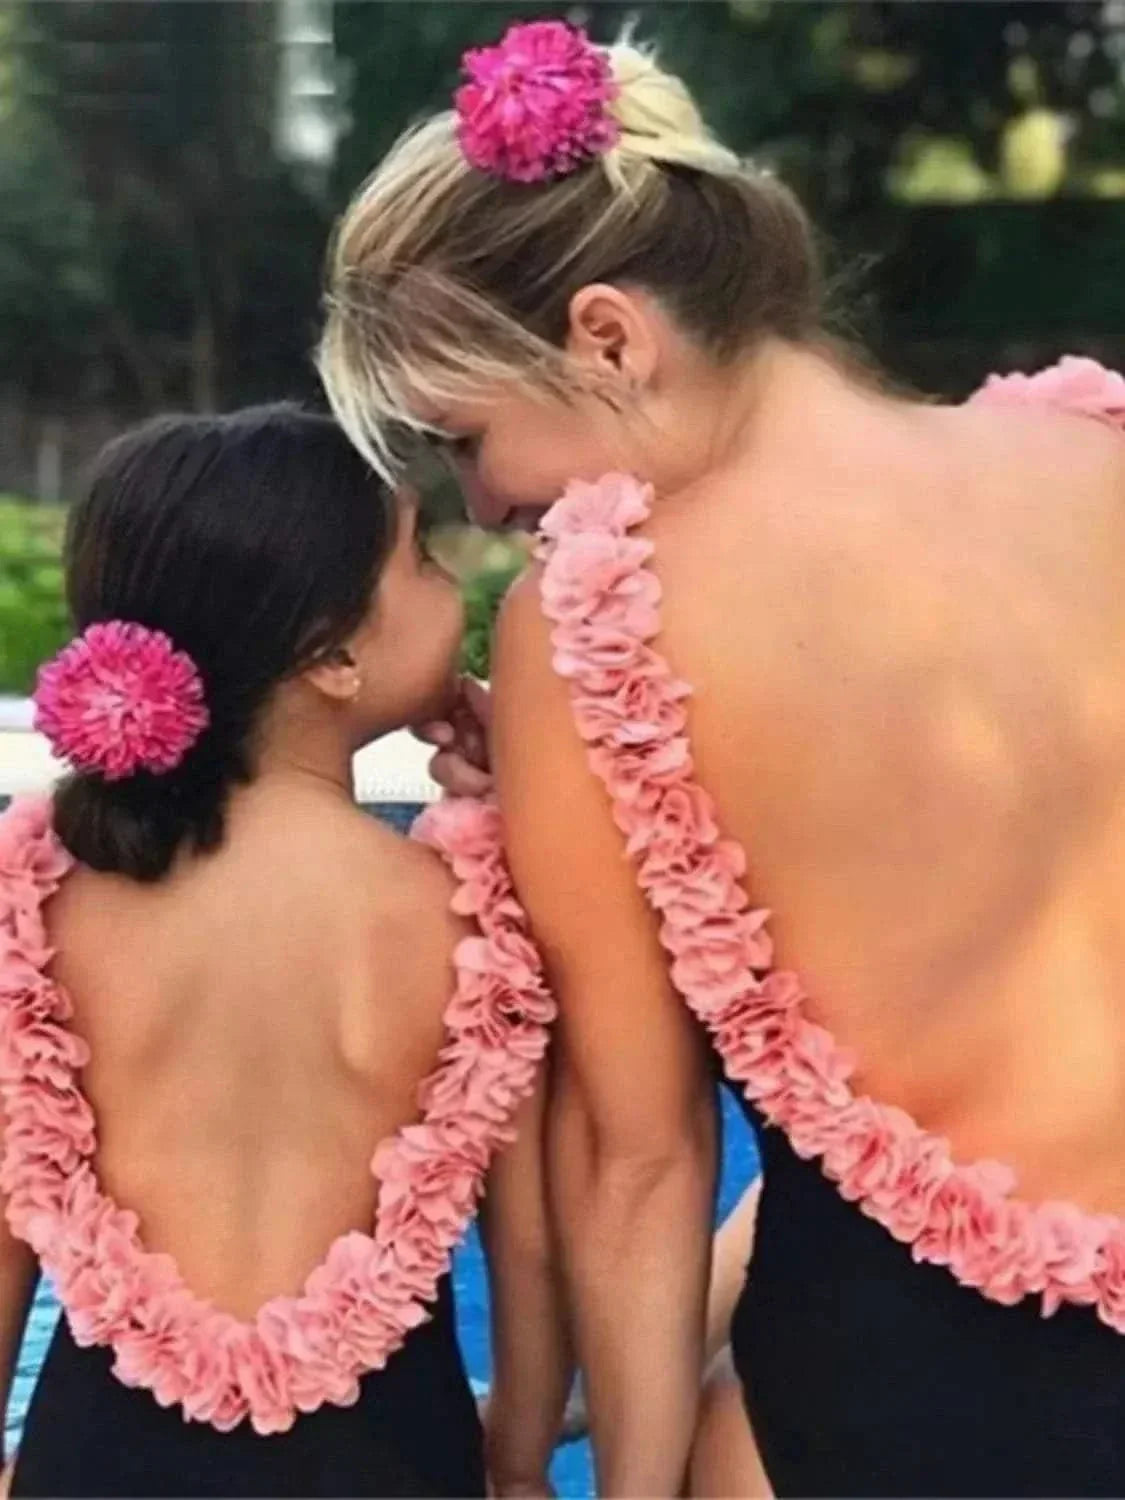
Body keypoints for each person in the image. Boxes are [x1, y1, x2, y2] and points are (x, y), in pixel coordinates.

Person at [319, 18, 1125, 1496]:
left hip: (910, 1407)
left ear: (609, 339)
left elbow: (639, 1163)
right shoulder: (1099, 460)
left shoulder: (597, 632)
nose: (481, 501)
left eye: (465, 436)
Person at [0, 406, 568, 1497]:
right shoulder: (463, 910)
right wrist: (521, 1462)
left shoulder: (50, 901)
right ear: (334, 655)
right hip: (391, 1460)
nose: (455, 581)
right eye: (423, 556)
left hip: (101, 1457)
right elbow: (530, 1247)